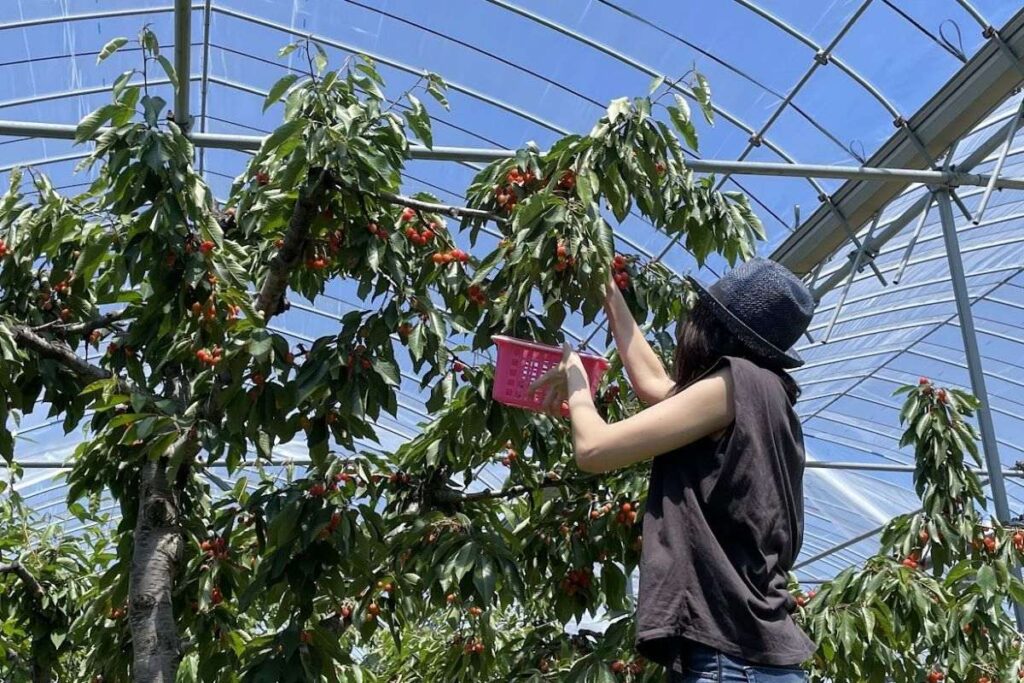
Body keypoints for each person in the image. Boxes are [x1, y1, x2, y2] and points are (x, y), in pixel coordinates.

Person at [529, 257, 816, 682]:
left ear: (711, 327)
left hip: (730, 663)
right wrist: (608, 289)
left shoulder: (735, 382)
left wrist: (576, 378)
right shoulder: (765, 396)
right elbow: (653, 384)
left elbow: (594, 449)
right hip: (752, 660)